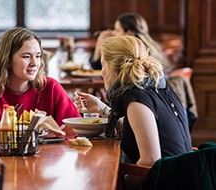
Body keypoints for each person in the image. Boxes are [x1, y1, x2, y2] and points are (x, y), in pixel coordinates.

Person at [75, 35, 192, 188]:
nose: (101, 72)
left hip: (168, 183)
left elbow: (150, 161)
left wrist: (120, 185)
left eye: (103, 65)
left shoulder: (137, 98)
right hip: (183, 175)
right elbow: (136, 128)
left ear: (114, 67)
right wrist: (101, 108)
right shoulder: (157, 87)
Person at [0, 27, 80, 138]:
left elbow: (75, 129)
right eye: (27, 56)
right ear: (7, 60)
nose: (35, 63)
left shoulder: (51, 87)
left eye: (38, 56)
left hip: (46, 156)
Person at [89, 12, 171, 73]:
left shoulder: (130, 52)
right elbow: (97, 68)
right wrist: (99, 44)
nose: (113, 33)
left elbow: (97, 68)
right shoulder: (152, 46)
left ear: (129, 33)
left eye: (117, 30)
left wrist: (100, 44)